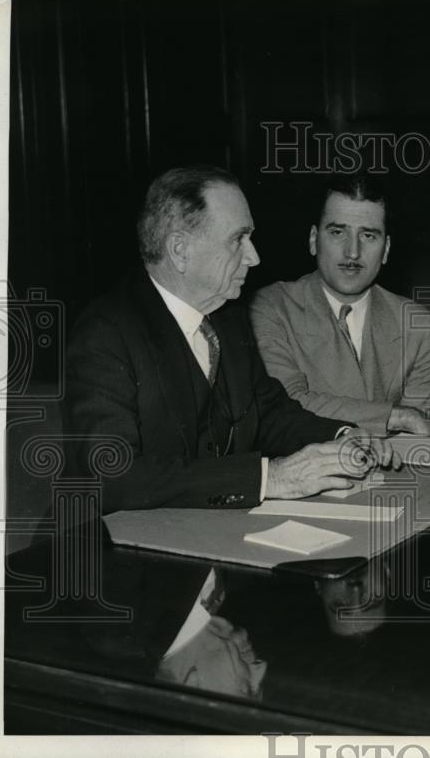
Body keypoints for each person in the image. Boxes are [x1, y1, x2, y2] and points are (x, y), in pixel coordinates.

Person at [63, 165, 397, 513]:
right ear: (180, 250)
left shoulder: (227, 318)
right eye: (238, 239)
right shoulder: (105, 333)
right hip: (106, 550)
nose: (254, 257)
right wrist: (272, 478)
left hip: (208, 537)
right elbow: (112, 476)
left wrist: (342, 436)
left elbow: (269, 413)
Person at [251, 173, 430, 436]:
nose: (353, 252)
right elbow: (286, 405)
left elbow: (419, 440)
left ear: (385, 250)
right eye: (338, 232)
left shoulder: (415, 324)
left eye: (369, 236)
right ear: (313, 240)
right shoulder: (272, 307)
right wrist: (396, 417)